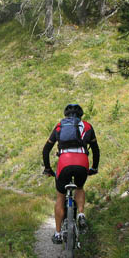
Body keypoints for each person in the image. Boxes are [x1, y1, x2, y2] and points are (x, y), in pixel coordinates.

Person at [42, 103, 100, 244]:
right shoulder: (87, 126)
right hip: (82, 162)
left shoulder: (59, 127)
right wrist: (94, 167)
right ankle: (80, 213)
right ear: (81, 115)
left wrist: (48, 169)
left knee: (60, 196)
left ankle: (57, 233)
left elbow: (46, 150)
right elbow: (96, 150)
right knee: (79, 187)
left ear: (66, 115)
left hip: (64, 162)